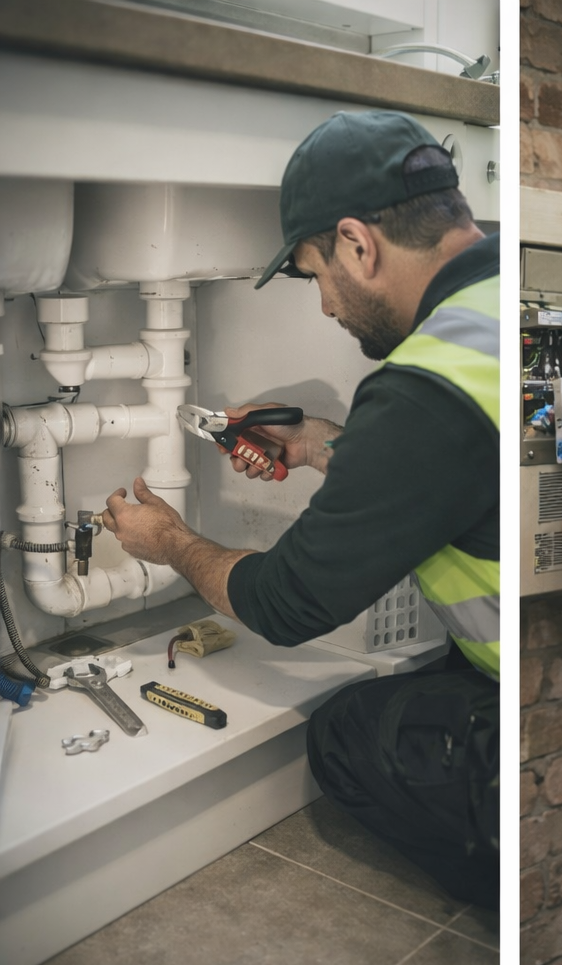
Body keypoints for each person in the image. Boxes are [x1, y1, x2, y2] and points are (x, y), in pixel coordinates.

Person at [101, 111, 499, 909]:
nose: (325, 305)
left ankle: (500, 874)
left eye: (317, 274)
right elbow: (449, 464)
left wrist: (173, 543)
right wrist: (317, 444)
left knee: (347, 738)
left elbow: (285, 605)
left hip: (519, 697)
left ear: (359, 243)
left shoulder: (425, 382)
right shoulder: (499, 303)